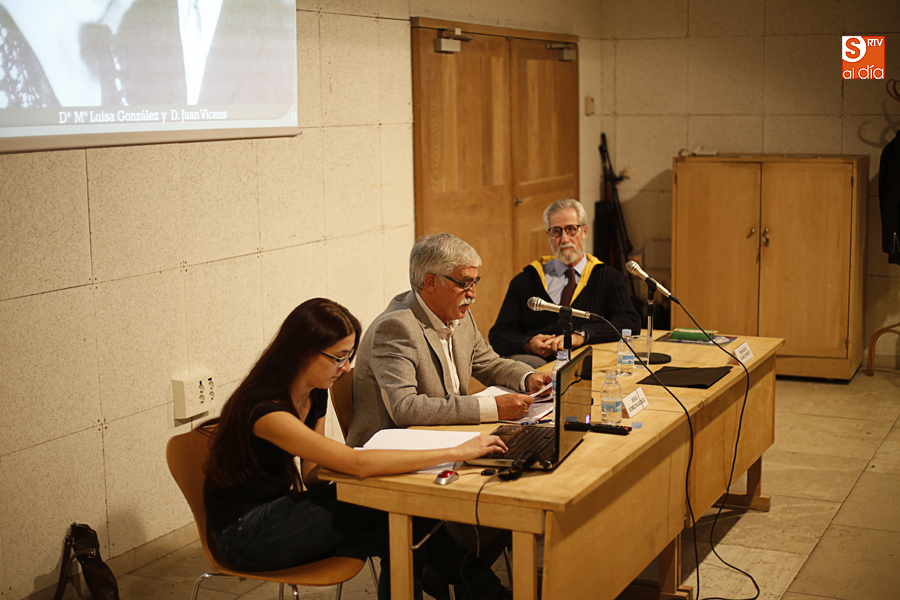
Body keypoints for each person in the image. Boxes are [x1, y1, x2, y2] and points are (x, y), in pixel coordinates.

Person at [201, 298, 510, 600]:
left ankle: (485, 591)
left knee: (403, 527)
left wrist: (370, 468)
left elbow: (311, 474)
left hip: (281, 512)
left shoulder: (314, 393)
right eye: (339, 357)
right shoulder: (266, 410)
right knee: (393, 510)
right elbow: (356, 463)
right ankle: (486, 591)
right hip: (244, 535)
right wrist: (455, 451)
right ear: (304, 353)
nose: (346, 367)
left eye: (349, 356)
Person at [346, 233, 551, 447]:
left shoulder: (459, 314)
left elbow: (489, 363)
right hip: (392, 450)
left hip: (445, 435)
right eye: (465, 283)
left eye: (475, 282)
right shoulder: (396, 328)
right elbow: (404, 408)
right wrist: (493, 408)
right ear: (431, 282)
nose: (473, 294)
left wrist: (529, 378)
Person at [489, 199, 641, 368]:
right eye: (556, 231)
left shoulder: (608, 277)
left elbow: (629, 322)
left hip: (586, 360)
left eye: (571, 229)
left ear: (584, 231)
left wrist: (582, 336)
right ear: (548, 236)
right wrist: (527, 343)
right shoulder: (525, 281)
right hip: (538, 366)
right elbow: (498, 335)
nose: (564, 239)